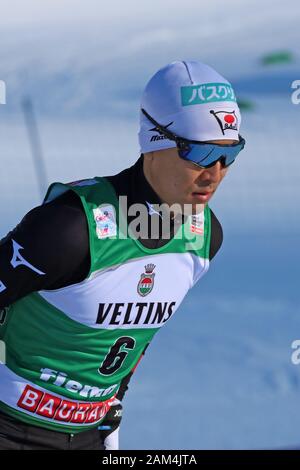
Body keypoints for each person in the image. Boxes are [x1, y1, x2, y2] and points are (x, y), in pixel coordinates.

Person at [0, 60, 245, 450]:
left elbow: (136, 333)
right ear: (154, 141)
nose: (214, 173)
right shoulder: (70, 228)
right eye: (199, 153)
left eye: (229, 155)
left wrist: (113, 401)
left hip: (88, 434)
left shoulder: (205, 237)